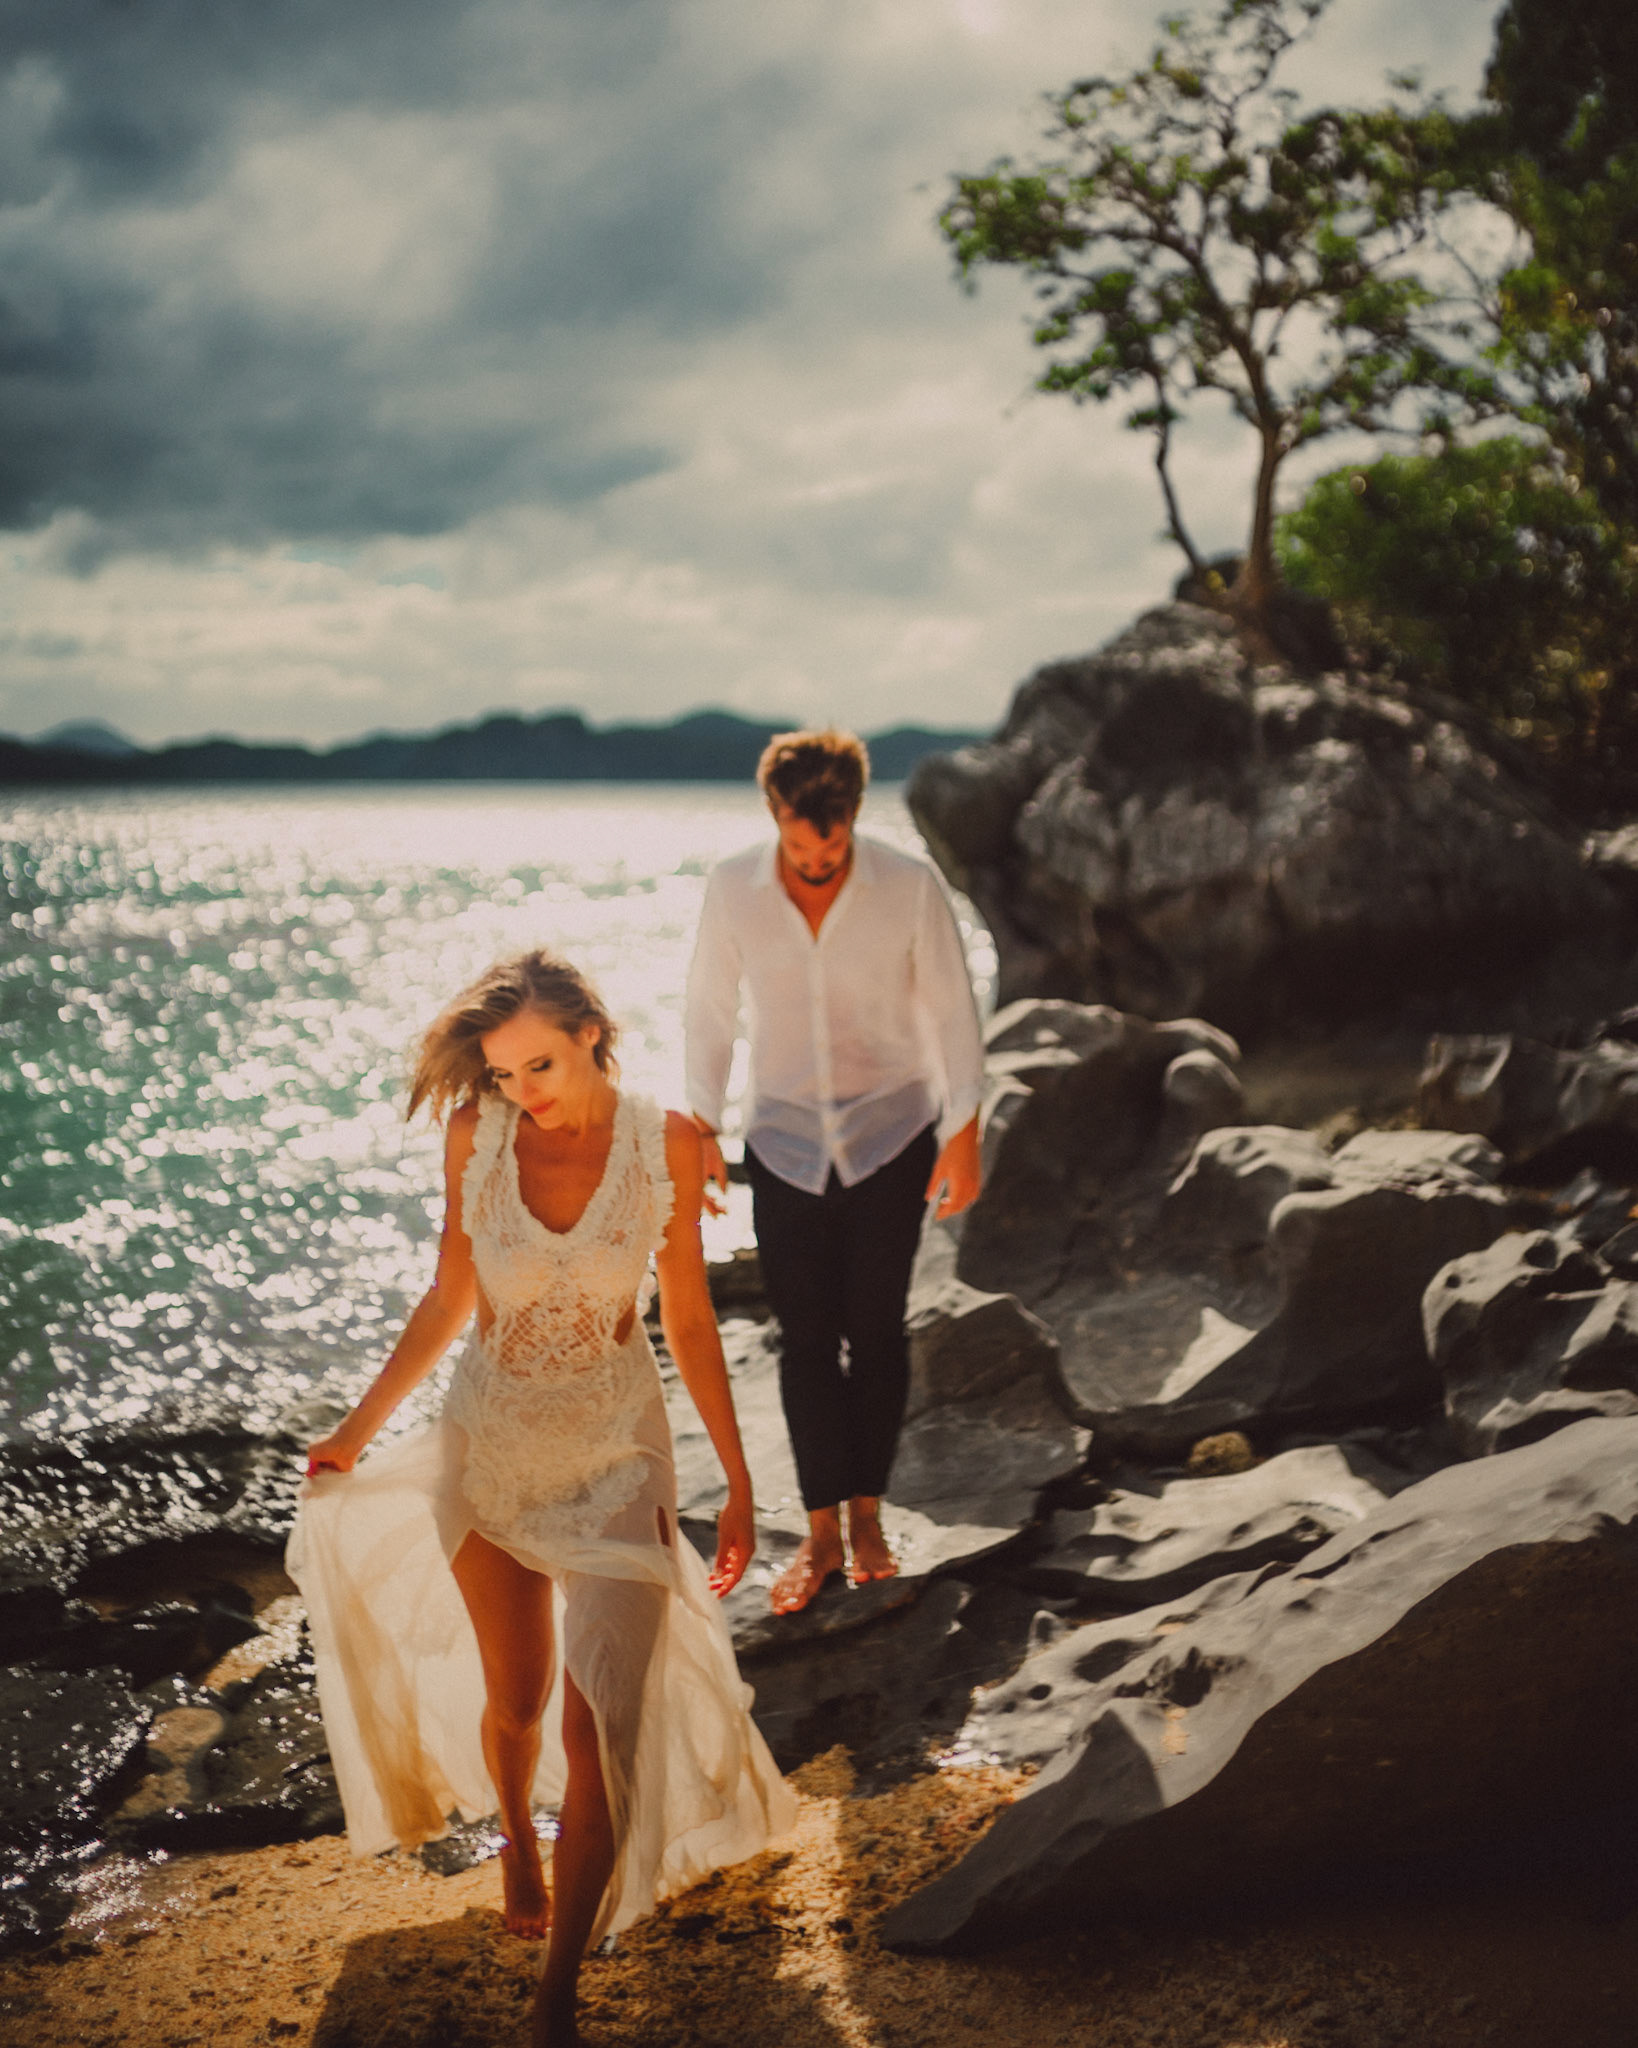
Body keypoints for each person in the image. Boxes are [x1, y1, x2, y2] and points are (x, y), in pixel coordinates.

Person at [287, 950, 795, 2048]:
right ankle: (517, 1832)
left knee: (602, 1716)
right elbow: (450, 1294)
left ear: (591, 1034)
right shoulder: (478, 1136)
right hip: (491, 1443)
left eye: (541, 1065)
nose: (523, 1091)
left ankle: (555, 1993)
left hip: (618, 1450)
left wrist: (739, 1478)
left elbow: (689, 1320)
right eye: (504, 1072)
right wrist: (354, 1433)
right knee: (516, 1703)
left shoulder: (666, 1144)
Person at [684, 728, 985, 1617]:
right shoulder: (733, 888)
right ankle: (820, 1534)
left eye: (835, 839)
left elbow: (952, 1008)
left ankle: (868, 1519)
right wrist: (700, 1123)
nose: (819, 858)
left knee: (878, 1330)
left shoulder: (907, 885)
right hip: (782, 1141)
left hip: (893, 1130)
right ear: (774, 812)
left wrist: (964, 1130)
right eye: (801, 840)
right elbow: (709, 1010)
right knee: (806, 1338)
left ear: (854, 812)